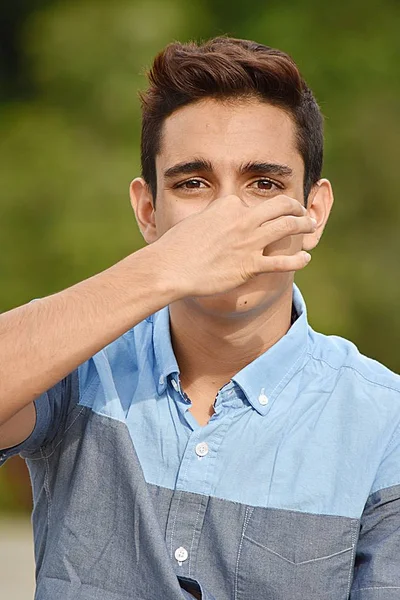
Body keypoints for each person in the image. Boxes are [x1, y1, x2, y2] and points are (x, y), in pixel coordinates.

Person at [0, 36, 399, 600]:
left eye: (264, 184)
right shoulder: (82, 366)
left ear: (313, 213)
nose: (226, 218)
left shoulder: (386, 423)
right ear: (147, 212)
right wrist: (164, 268)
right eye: (193, 184)